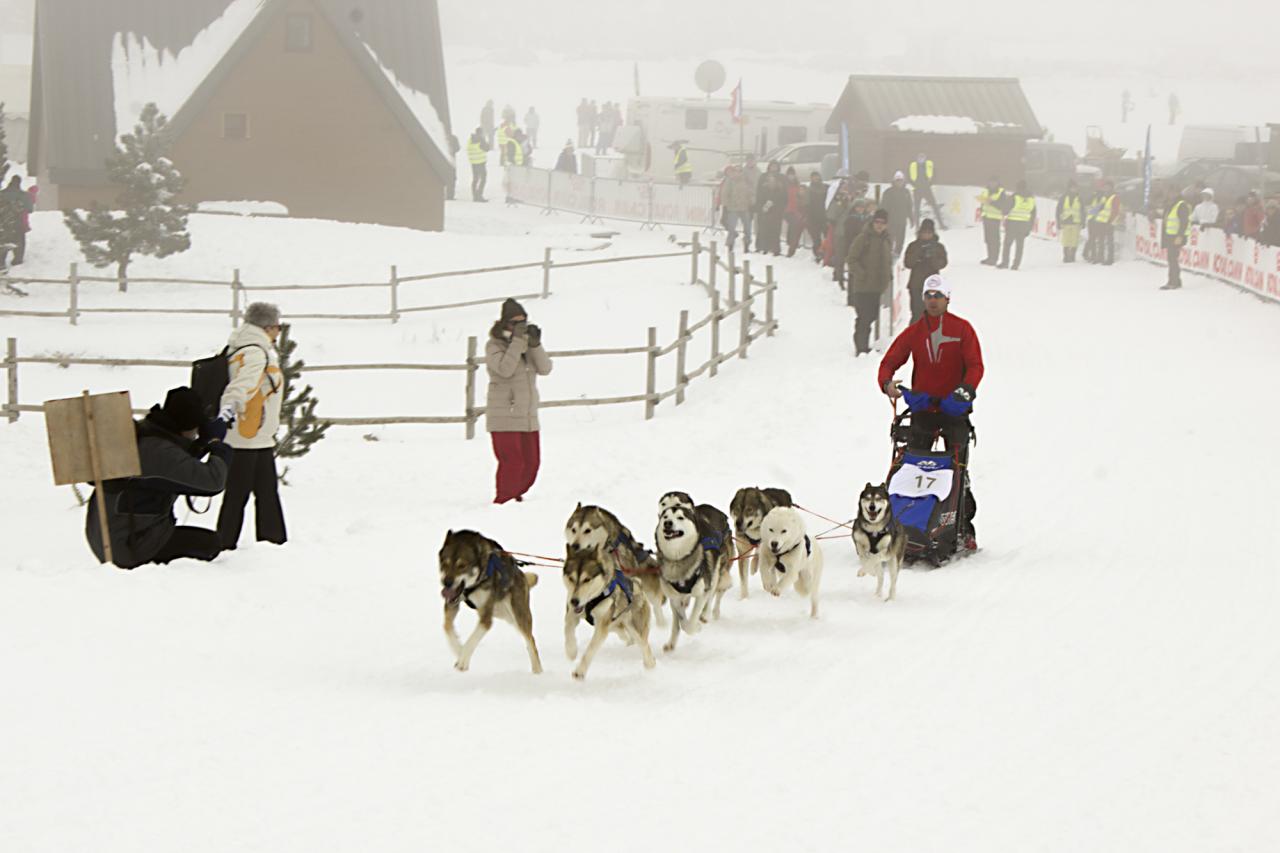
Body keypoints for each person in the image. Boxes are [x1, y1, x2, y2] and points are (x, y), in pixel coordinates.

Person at [877, 274, 983, 549]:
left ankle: (961, 529)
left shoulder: (963, 329)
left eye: (938, 296)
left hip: (954, 409)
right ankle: (906, 525)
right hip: (923, 409)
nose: (933, 301)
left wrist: (966, 389)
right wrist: (887, 383)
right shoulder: (914, 331)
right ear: (923, 299)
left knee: (957, 471)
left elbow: (975, 366)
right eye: (929, 296)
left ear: (948, 299)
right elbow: (889, 361)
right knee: (911, 469)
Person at [86, 387, 232, 569]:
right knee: (208, 544)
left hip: (111, 536)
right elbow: (212, 482)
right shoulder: (159, 450)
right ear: (187, 426)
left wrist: (202, 444)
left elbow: (177, 465)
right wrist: (217, 446)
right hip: (129, 545)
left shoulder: (147, 433)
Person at [216, 302, 287, 550]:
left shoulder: (243, 347)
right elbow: (243, 384)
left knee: (266, 492)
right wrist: (229, 407)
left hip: (256, 436)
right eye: (279, 326)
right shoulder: (256, 352)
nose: (280, 332)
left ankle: (272, 542)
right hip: (247, 433)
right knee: (238, 494)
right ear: (268, 327)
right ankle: (224, 543)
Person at [486, 298, 552, 504]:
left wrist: (535, 345)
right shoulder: (494, 345)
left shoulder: (525, 344)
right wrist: (516, 342)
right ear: (505, 323)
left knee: (532, 463)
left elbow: (545, 368)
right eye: (515, 322)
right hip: (505, 414)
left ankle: (515, 496)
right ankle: (504, 500)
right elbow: (504, 369)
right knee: (512, 462)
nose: (519, 326)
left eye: (523, 321)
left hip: (527, 414)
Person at [846, 209, 893, 356]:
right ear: (872, 222)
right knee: (864, 318)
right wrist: (862, 274)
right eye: (877, 222)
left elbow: (887, 261)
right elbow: (851, 259)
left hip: (877, 287)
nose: (879, 225)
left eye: (882, 223)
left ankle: (863, 346)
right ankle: (861, 347)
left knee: (872, 316)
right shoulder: (863, 238)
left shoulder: (887, 240)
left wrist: (887, 277)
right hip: (863, 286)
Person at [902, 219, 948, 324]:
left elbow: (942, 264)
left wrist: (932, 257)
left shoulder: (938, 247)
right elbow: (908, 263)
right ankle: (913, 338)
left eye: (929, 233)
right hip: (916, 285)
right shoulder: (913, 246)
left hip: (933, 286)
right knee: (917, 314)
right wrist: (918, 254)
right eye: (924, 232)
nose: (926, 235)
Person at [998, 181, 1036, 270]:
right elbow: (1033, 214)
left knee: (1007, 244)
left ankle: (1005, 263)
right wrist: (1029, 227)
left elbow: (1005, 210)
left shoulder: (1014, 197)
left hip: (1012, 224)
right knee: (1020, 246)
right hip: (1024, 224)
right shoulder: (1031, 199)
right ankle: (1016, 265)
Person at [1159, 188, 1192, 290]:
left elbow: (1184, 222)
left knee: (1172, 259)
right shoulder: (1170, 204)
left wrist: (1180, 236)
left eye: (1173, 192)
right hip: (1169, 235)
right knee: (1171, 259)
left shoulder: (1181, 205)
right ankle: (1175, 280)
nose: (1171, 194)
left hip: (1176, 236)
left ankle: (1173, 281)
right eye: (1169, 192)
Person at [0, 176, 35, 267]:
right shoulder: (24, 195)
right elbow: (30, 209)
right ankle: (17, 262)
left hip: (3, 224)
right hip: (18, 224)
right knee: (19, 244)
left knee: (3, 244)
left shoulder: (1, 194)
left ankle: (1, 264)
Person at [720, 164, 755, 253]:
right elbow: (725, 193)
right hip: (733, 208)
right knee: (731, 228)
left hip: (745, 208)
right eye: (736, 171)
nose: (738, 173)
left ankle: (747, 245)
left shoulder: (746, 181)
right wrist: (726, 205)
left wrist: (752, 202)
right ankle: (730, 246)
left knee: (747, 228)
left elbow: (751, 193)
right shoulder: (730, 180)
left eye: (740, 171)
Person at [755, 161, 787, 255]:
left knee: (776, 228)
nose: (774, 168)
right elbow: (759, 191)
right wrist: (761, 204)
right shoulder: (763, 177)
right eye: (772, 166)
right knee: (763, 228)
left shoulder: (782, 177)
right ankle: (762, 246)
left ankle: (775, 248)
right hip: (764, 205)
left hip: (777, 207)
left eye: (775, 166)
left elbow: (784, 192)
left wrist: (778, 203)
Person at [881, 170, 916, 256]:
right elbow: (883, 206)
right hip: (890, 220)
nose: (899, 182)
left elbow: (909, 206)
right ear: (894, 181)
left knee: (900, 239)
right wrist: (883, 219)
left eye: (901, 180)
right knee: (889, 238)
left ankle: (897, 253)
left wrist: (911, 218)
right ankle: (887, 254)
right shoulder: (888, 192)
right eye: (897, 180)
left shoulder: (906, 192)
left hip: (901, 221)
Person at [1087, 181, 1120, 265]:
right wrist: (1092, 216)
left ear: (1111, 188)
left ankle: (1110, 259)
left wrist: (1110, 221)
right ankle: (1100, 257)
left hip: (1109, 222)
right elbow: (1099, 207)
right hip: (1101, 221)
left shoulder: (1114, 197)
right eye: (1105, 187)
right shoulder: (1104, 196)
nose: (1106, 188)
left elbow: (1115, 211)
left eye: (1108, 187)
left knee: (1109, 241)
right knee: (1101, 240)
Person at [909, 154, 945, 228]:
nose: (921, 159)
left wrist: (929, 184)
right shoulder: (913, 166)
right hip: (917, 189)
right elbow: (909, 177)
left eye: (922, 157)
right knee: (916, 209)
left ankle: (941, 224)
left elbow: (934, 175)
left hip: (926, 189)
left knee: (935, 206)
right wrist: (914, 185)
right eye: (919, 157)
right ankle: (917, 226)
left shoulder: (929, 165)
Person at [977, 177, 1007, 265]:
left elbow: (1002, 205)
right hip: (986, 217)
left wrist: (991, 202)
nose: (992, 184)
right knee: (988, 239)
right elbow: (982, 203)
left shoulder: (1001, 192)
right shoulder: (985, 191)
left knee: (995, 239)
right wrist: (982, 210)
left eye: (994, 182)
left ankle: (994, 258)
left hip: (995, 218)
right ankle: (990, 257)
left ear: (997, 183)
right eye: (991, 182)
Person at [1056, 180, 1083, 263]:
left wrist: (1083, 221)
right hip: (1066, 221)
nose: (1074, 189)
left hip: (1076, 222)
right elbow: (1058, 210)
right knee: (1066, 241)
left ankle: (1072, 256)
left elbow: (1082, 210)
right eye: (1072, 187)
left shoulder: (1079, 198)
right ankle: (1066, 256)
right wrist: (1058, 222)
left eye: (1075, 188)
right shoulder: (1063, 197)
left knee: (1074, 241)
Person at [805, 171, 827, 262]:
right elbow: (807, 204)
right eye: (813, 177)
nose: (816, 178)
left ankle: (826, 253)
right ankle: (818, 254)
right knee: (816, 238)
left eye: (817, 176)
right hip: (813, 217)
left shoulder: (825, 188)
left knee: (827, 237)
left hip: (824, 216)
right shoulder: (809, 190)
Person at [783, 167, 805, 257]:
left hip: (796, 209)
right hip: (786, 209)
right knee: (793, 224)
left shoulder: (798, 185)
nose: (791, 176)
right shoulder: (784, 185)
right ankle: (791, 243)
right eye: (789, 174)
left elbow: (800, 196)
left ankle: (792, 243)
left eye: (792, 174)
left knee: (796, 226)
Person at [467, 127, 490, 202]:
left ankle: (474, 196)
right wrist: (486, 140)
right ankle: (479, 195)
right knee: (483, 179)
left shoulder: (470, 140)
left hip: (473, 162)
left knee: (475, 179)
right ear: (481, 132)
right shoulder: (481, 140)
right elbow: (487, 148)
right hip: (480, 162)